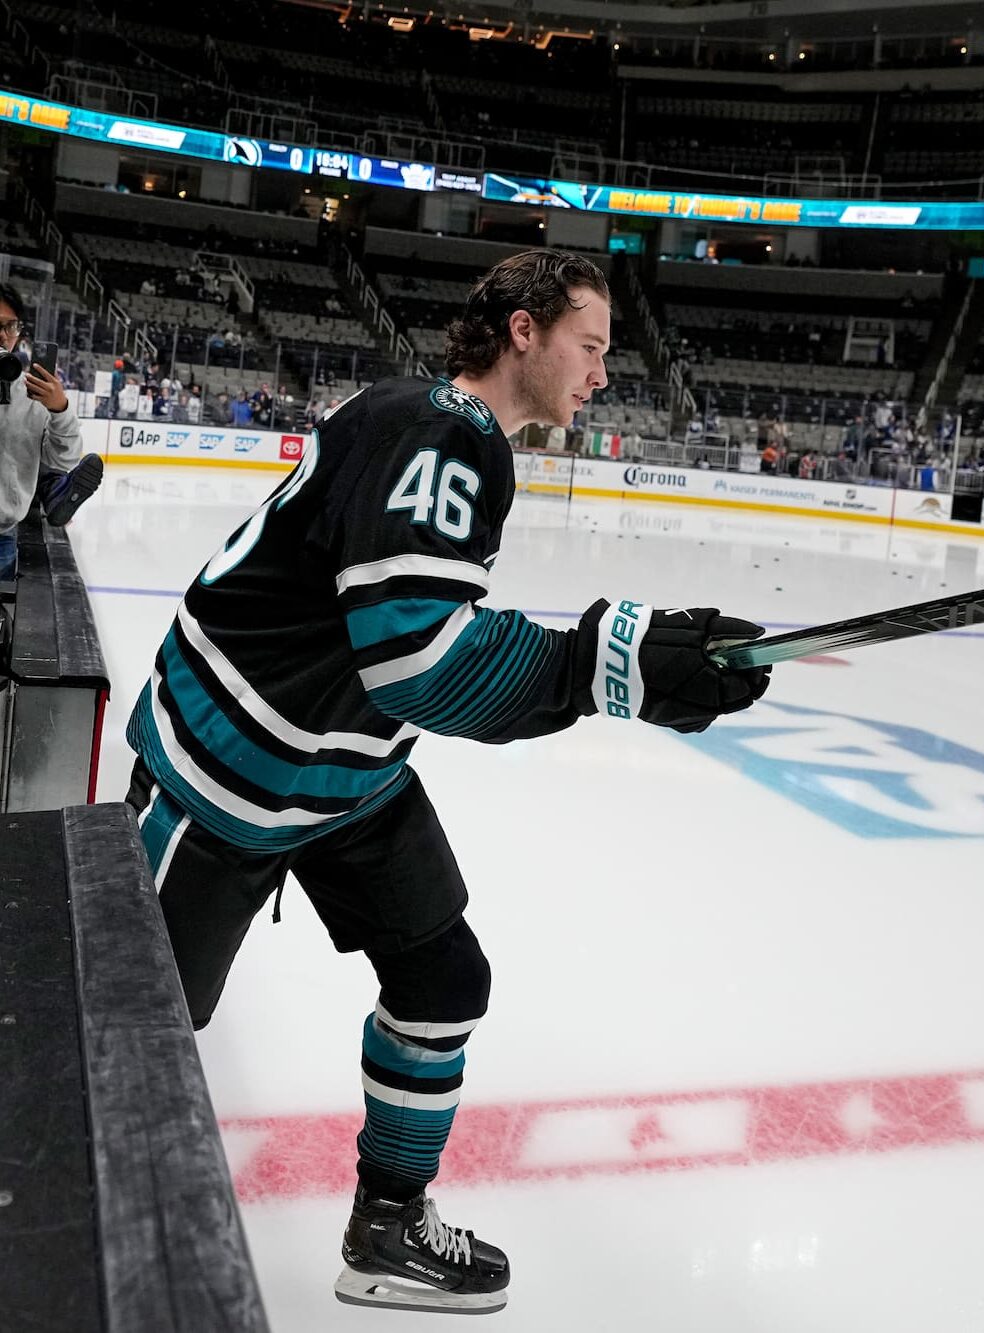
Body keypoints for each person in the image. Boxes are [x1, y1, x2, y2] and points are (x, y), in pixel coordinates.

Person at [121, 250, 770, 1316]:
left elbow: (397, 656)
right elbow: (417, 660)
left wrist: (625, 665)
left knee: (442, 981)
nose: (603, 373)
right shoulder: (444, 438)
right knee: (137, 1027)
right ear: (524, 331)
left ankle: (387, 1229)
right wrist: (608, 666)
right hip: (225, 772)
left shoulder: (434, 429)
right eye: (591, 346)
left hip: (344, 771)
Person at [0, 283, 103, 581]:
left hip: (3, 535)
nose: (4, 336)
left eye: (11, 326)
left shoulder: (31, 393)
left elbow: (63, 458)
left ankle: (54, 490)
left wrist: (60, 409)